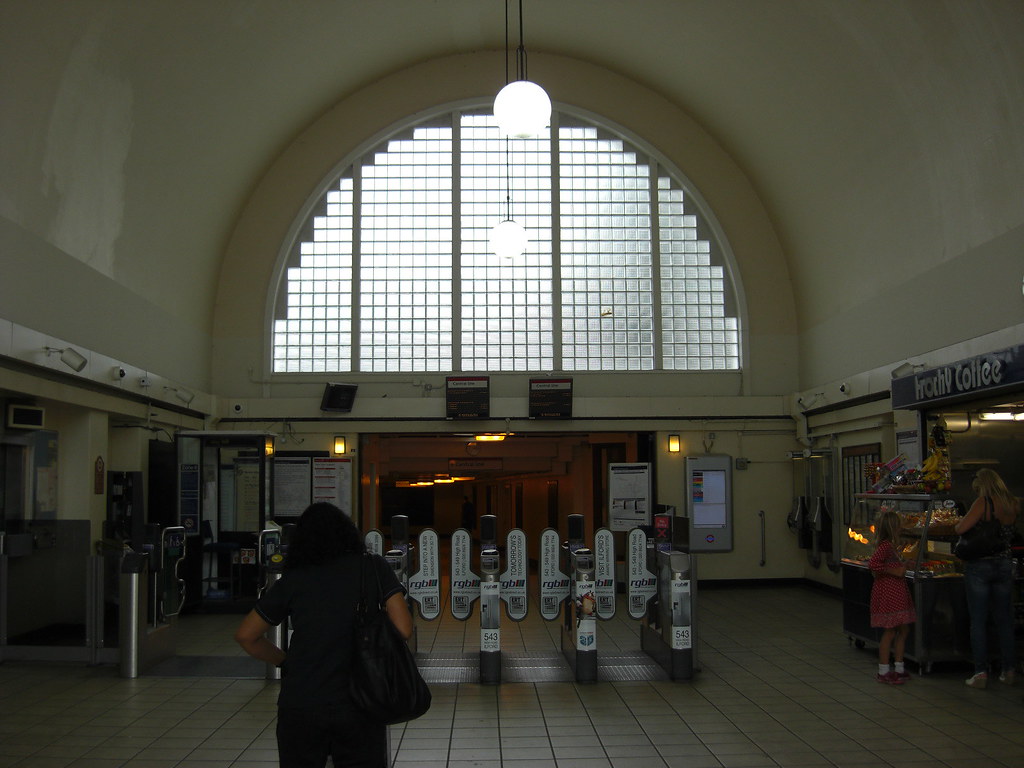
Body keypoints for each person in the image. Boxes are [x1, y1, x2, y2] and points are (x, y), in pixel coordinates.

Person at [235, 502, 413, 767]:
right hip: (362, 701)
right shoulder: (373, 567)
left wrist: (283, 662)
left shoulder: (295, 579)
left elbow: (246, 636)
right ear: (348, 533)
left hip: (302, 702)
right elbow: (403, 629)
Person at [954, 468, 1019, 689]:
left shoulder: (983, 502)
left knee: (979, 621)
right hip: (1004, 564)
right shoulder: (1013, 503)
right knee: (1004, 620)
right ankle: (1009, 670)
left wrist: (957, 524)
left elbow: (961, 528)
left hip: (980, 565)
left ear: (982, 485)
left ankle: (980, 673)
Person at [869, 509, 916, 685]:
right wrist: (895, 570)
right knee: (891, 631)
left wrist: (903, 564)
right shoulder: (886, 546)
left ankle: (898, 667)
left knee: (902, 629)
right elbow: (873, 564)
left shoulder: (889, 547)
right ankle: (884, 669)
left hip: (894, 590)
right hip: (890, 592)